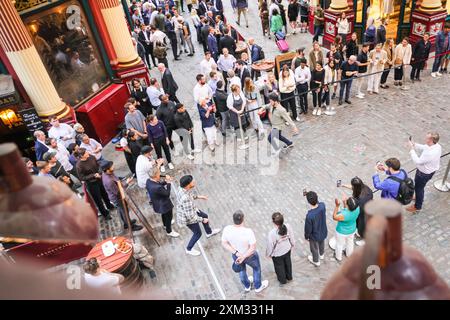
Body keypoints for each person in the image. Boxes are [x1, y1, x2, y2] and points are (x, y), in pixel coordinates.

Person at [222, 210, 269, 293]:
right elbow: (253, 248)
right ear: (243, 219)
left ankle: (247, 286)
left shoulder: (227, 229)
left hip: (236, 255)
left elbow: (224, 243)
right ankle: (258, 286)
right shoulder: (248, 231)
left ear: (233, 219)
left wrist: (236, 253)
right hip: (249, 256)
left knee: (242, 270)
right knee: (256, 268)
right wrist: (243, 256)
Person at [176, 175, 221, 256]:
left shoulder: (182, 188)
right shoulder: (185, 198)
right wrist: (202, 220)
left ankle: (209, 232)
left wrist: (199, 197)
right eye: (192, 181)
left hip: (191, 209)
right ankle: (188, 249)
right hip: (188, 217)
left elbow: (189, 196)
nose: (194, 182)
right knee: (198, 234)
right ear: (188, 185)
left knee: (205, 215)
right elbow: (191, 216)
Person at [101, 161, 143, 232]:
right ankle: (131, 226)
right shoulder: (109, 181)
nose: (113, 167)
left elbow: (117, 180)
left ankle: (126, 223)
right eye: (111, 166)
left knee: (122, 210)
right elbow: (118, 192)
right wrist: (127, 183)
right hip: (117, 198)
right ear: (107, 169)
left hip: (116, 196)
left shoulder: (108, 173)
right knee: (124, 211)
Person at [407, 132, 442, 213]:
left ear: (432, 140)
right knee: (420, 188)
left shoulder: (430, 153)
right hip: (429, 171)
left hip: (423, 174)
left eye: (427, 138)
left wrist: (412, 149)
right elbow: (424, 147)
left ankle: (417, 206)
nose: (425, 139)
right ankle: (418, 197)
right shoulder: (437, 146)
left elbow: (418, 161)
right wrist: (414, 144)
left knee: (419, 188)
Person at [76, 148, 113, 219]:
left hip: (99, 179)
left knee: (104, 193)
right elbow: (82, 177)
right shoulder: (79, 165)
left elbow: (98, 165)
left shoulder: (91, 157)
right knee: (98, 200)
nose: (88, 153)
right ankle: (105, 214)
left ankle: (109, 205)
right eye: (86, 153)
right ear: (81, 156)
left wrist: (99, 173)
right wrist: (94, 175)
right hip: (92, 184)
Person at [146, 167, 180, 237]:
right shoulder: (157, 187)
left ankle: (165, 225)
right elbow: (167, 194)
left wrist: (165, 181)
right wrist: (169, 183)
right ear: (155, 175)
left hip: (157, 204)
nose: (160, 174)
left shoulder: (148, 181)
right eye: (158, 173)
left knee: (164, 215)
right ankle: (169, 231)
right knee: (169, 217)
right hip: (164, 205)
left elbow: (158, 185)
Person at [340, 177, 373, 246]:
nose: (351, 186)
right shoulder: (366, 188)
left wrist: (345, 202)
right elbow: (353, 187)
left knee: (362, 227)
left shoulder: (359, 199)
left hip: (363, 213)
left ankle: (364, 239)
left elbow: (350, 209)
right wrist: (343, 185)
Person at [266, 212, 294, 285]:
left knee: (279, 267)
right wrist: (292, 244)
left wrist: (268, 254)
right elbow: (291, 237)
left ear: (273, 222)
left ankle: (283, 280)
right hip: (287, 249)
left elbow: (270, 246)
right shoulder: (288, 226)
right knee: (288, 263)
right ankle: (289, 277)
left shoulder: (272, 233)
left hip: (277, 254)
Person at [332, 197, 360, 262]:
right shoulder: (357, 208)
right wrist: (345, 203)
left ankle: (338, 257)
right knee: (350, 242)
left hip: (342, 232)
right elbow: (347, 209)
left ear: (348, 206)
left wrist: (337, 206)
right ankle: (349, 254)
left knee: (339, 244)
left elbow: (334, 217)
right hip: (352, 229)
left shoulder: (344, 214)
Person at [304, 191, 327, 266]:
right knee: (321, 243)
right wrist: (311, 195)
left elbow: (308, 229)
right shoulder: (322, 206)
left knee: (314, 248)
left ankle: (316, 261)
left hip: (314, 235)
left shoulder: (309, 216)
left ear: (308, 202)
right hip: (323, 231)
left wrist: (306, 236)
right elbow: (319, 203)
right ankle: (322, 254)